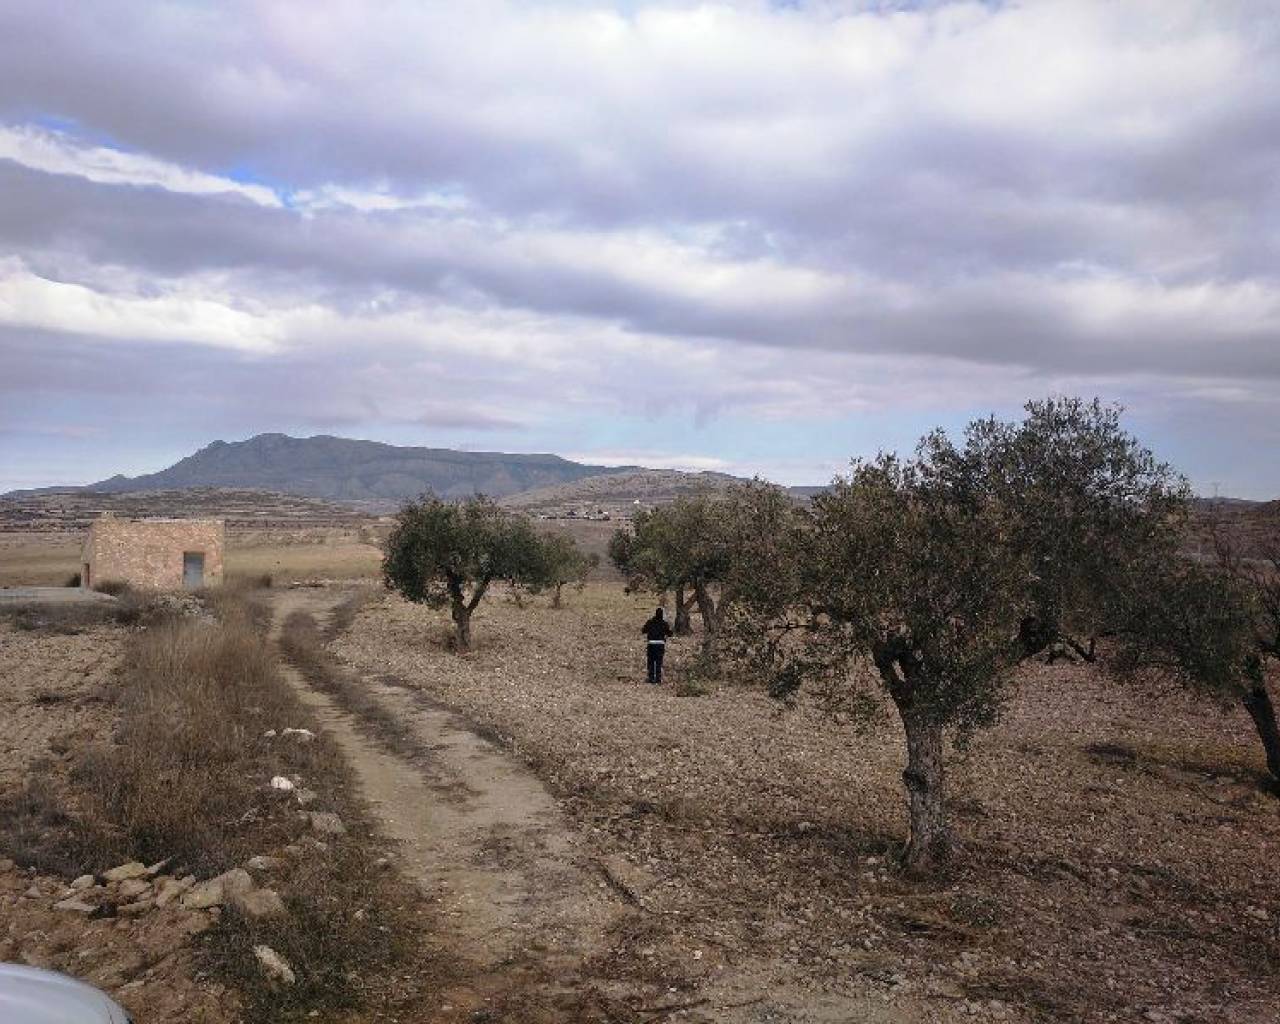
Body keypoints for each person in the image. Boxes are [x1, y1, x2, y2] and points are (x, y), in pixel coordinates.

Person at [641, 607, 673, 684]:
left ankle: (651, 678)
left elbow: (643, 630)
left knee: (651, 661)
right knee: (659, 662)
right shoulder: (664, 623)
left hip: (651, 644)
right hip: (660, 644)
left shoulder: (650, 622)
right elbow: (670, 633)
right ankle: (658, 679)